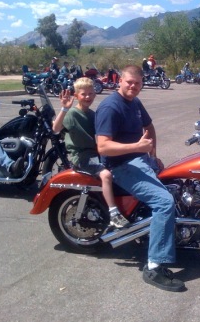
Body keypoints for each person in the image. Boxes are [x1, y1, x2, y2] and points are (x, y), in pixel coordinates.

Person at [95, 64, 185, 292]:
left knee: (178, 185)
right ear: (120, 81)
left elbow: (149, 126)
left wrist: (153, 154)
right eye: (129, 83)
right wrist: (138, 146)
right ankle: (154, 265)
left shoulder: (134, 102)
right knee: (164, 202)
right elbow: (103, 147)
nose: (133, 87)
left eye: (137, 83)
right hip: (121, 165)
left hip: (139, 159)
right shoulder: (110, 107)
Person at [52, 77, 128, 228]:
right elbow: (56, 129)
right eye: (83, 94)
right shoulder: (73, 114)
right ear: (76, 95)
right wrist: (64, 108)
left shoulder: (93, 114)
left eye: (91, 94)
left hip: (94, 155)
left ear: (95, 95)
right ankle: (114, 213)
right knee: (105, 175)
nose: (87, 97)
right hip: (81, 157)